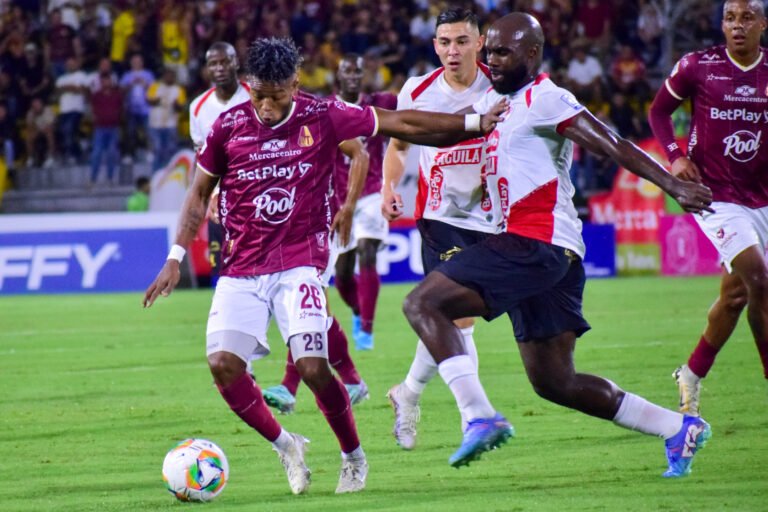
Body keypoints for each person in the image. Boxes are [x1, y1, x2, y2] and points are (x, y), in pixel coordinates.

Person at [142, 36, 501, 495]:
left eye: (277, 96)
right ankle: (287, 444)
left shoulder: (324, 115)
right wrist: (175, 257)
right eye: (259, 95)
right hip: (241, 266)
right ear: (249, 85)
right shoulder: (227, 126)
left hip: (299, 263)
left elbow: (402, 121)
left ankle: (353, 456)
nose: (266, 107)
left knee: (313, 366)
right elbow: (197, 193)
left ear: (295, 84)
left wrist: (473, 123)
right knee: (223, 365)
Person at [400, 13, 715, 479]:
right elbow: (435, 131)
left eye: (502, 52)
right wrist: (381, 124)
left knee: (423, 303)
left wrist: (672, 184)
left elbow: (611, 143)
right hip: (547, 254)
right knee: (554, 381)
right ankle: (677, 427)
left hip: (536, 242)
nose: (492, 61)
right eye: (490, 52)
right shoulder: (495, 102)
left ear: (532, 54)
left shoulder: (546, 98)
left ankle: (478, 415)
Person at [381, 8, 495, 451]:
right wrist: (389, 186)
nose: (453, 50)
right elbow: (398, 145)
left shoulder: (500, 85)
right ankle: (476, 418)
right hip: (439, 217)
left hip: (493, 218)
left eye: (462, 41)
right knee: (460, 314)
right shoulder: (418, 90)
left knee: (449, 318)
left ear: (479, 43)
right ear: (435, 45)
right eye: (445, 42)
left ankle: (407, 393)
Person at [648, 0, 768, 417]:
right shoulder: (698, 66)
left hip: (762, 197)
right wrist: (675, 156)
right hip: (715, 195)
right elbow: (659, 111)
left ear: (763, 24)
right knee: (759, 279)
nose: (737, 26)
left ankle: (691, 374)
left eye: (747, 18)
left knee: (735, 296)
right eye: (730, 18)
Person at [331, 53, 397, 351]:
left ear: (363, 74)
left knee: (367, 252)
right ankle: (359, 312)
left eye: (357, 71)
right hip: (340, 199)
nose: (353, 76)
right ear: (338, 75)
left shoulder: (379, 103)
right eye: (347, 71)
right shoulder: (326, 109)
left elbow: (415, 101)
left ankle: (367, 331)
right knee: (342, 274)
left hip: (372, 193)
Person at [188, 42, 251, 287]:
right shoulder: (198, 108)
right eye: (213, 63)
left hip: (257, 195)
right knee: (224, 271)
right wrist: (209, 195)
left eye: (225, 61)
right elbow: (202, 158)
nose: (220, 68)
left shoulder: (256, 95)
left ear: (236, 62)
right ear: (207, 69)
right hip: (222, 201)